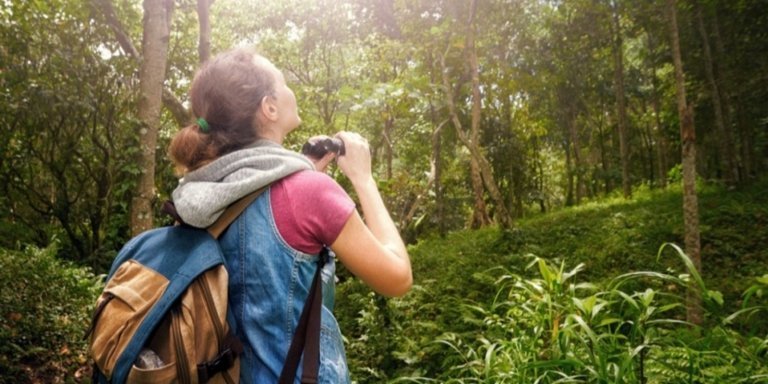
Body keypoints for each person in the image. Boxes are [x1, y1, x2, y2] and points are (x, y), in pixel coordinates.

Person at [167, 47, 412, 383]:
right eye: (283, 82)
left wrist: (300, 172)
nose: (290, 90)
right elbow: (397, 278)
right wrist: (363, 178)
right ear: (269, 107)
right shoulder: (308, 192)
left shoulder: (195, 193)